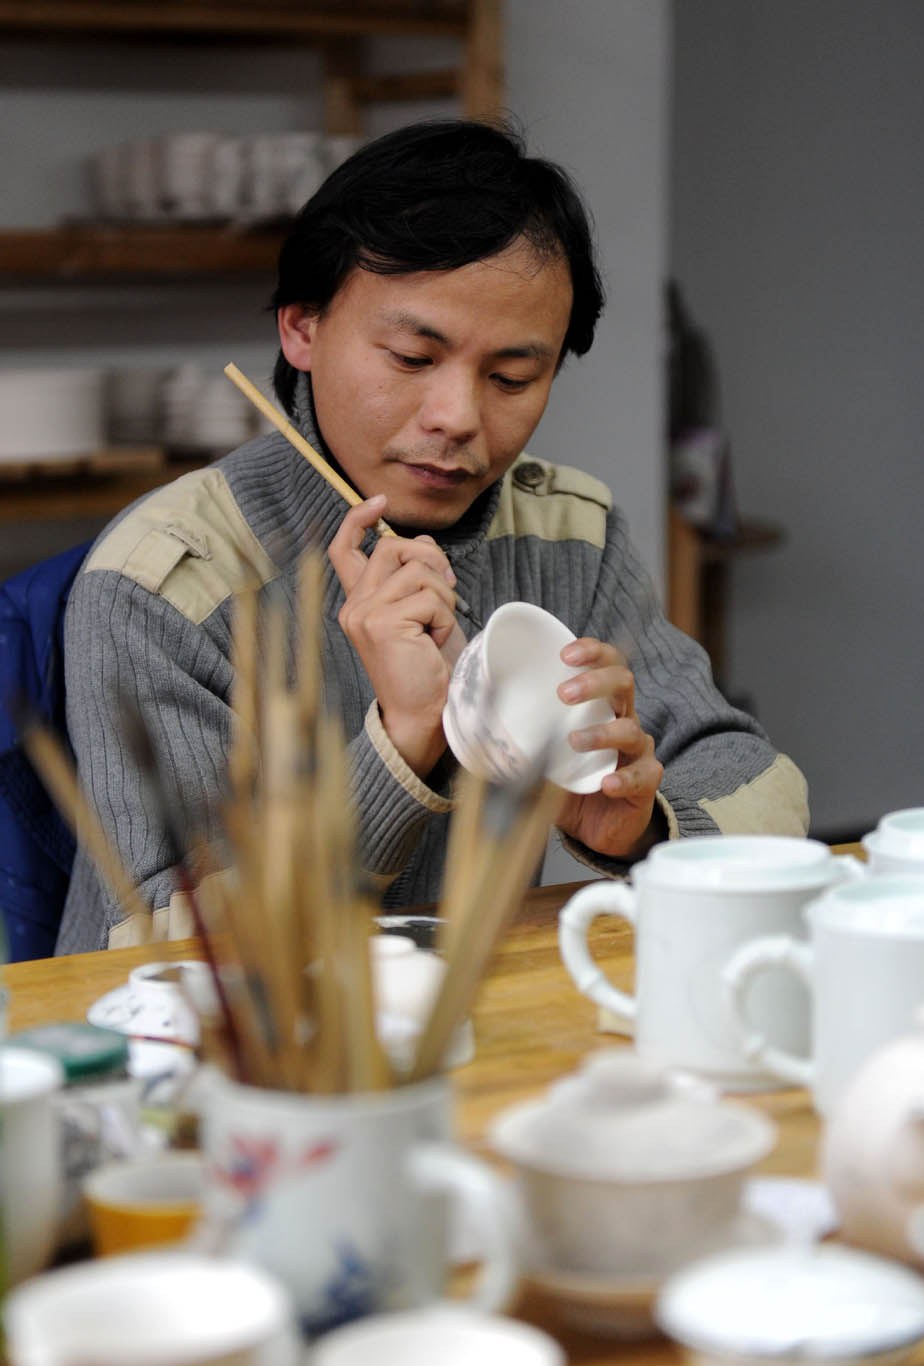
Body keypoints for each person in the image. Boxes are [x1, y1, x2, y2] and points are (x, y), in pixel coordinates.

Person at [57, 119, 807, 954]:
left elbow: (764, 791)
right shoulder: (165, 582)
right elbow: (162, 945)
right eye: (414, 357)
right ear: (302, 327)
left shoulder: (570, 535)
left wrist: (640, 830)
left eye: (512, 377)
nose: (457, 419)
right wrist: (403, 743)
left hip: (474, 1030)